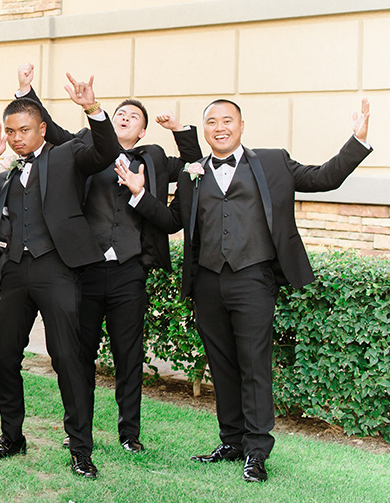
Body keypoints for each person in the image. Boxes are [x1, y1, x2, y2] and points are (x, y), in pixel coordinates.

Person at [116, 98, 372, 482]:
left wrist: (357, 140)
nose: (220, 127)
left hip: (253, 278)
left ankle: (256, 450)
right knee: (222, 365)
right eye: (212, 122)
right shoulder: (192, 173)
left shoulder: (271, 162)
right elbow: (171, 221)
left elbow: (323, 178)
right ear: (204, 130)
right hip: (207, 280)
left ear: (241, 125)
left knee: (254, 365)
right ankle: (232, 441)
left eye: (227, 120)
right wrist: (140, 194)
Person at [13, 64, 202, 455]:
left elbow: (195, 164)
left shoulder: (155, 159)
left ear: (143, 131)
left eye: (134, 117)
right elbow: (48, 130)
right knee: (79, 353)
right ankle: (78, 429)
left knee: (128, 355)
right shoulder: (85, 145)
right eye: (120, 114)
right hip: (84, 269)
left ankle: (129, 433)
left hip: (129, 271)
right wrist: (27, 93)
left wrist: (179, 129)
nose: (125, 118)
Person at [0, 75, 118, 478]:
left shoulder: (68, 155)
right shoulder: (7, 174)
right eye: (10, 132)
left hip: (57, 270)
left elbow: (105, 151)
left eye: (24, 130)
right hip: (15, 273)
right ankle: (12, 437)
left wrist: (93, 110)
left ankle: (80, 449)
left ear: (42, 129)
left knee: (67, 359)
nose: (17, 138)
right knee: (4, 356)